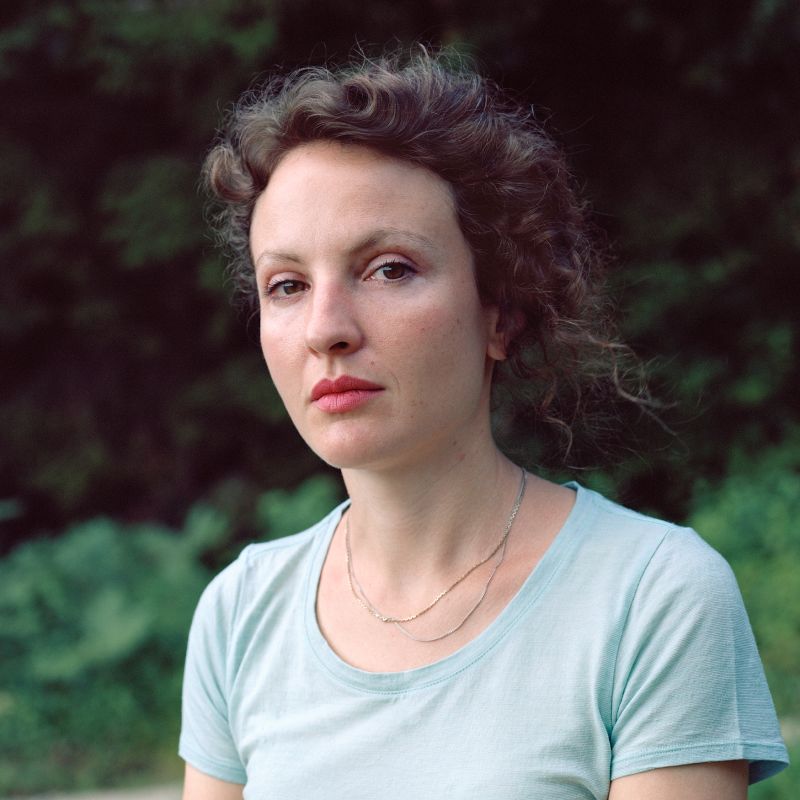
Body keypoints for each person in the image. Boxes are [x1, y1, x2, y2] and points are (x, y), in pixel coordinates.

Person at [180, 49, 789, 799]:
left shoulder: (651, 597)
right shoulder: (241, 613)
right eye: (287, 285)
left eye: (390, 268)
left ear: (501, 314)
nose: (325, 329)